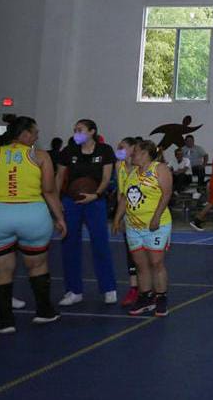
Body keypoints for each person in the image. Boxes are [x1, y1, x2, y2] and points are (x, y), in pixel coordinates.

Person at [0, 117, 66, 333]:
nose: (37, 137)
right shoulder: (40, 156)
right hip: (32, 215)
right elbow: (48, 190)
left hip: (1, 213)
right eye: (35, 133)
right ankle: (44, 312)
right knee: (37, 265)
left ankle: (5, 321)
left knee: (2, 269)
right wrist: (59, 218)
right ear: (25, 133)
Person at [56, 118, 118, 306]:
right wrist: (57, 202)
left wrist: (97, 194)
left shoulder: (105, 150)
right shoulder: (68, 151)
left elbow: (107, 177)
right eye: (75, 129)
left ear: (92, 131)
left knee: (100, 243)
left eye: (80, 129)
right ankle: (74, 291)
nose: (76, 132)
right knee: (69, 244)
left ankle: (109, 288)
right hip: (71, 201)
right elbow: (59, 177)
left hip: (95, 201)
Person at [112, 140, 172, 317]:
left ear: (145, 153)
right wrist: (117, 219)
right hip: (134, 226)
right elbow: (124, 198)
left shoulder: (159, 169)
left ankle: (161, 298)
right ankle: (145, 297)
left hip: (156, 225)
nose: (132, 154)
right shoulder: (132, 173)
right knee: (140, 264)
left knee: (156, 262)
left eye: (135, 151)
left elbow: (166, 194)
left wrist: (156, 217)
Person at [112, 137, 141, 308]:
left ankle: (148, 289)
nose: (119, 150)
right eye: (118, 147)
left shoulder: (141, 168)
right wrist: (119, 216)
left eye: (122, 147)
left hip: (143, 215)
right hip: (127, 215)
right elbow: (120, 194)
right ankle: (133, 288)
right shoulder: (119, 165)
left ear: (133, 149)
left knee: (145, 256)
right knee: (130, 253)